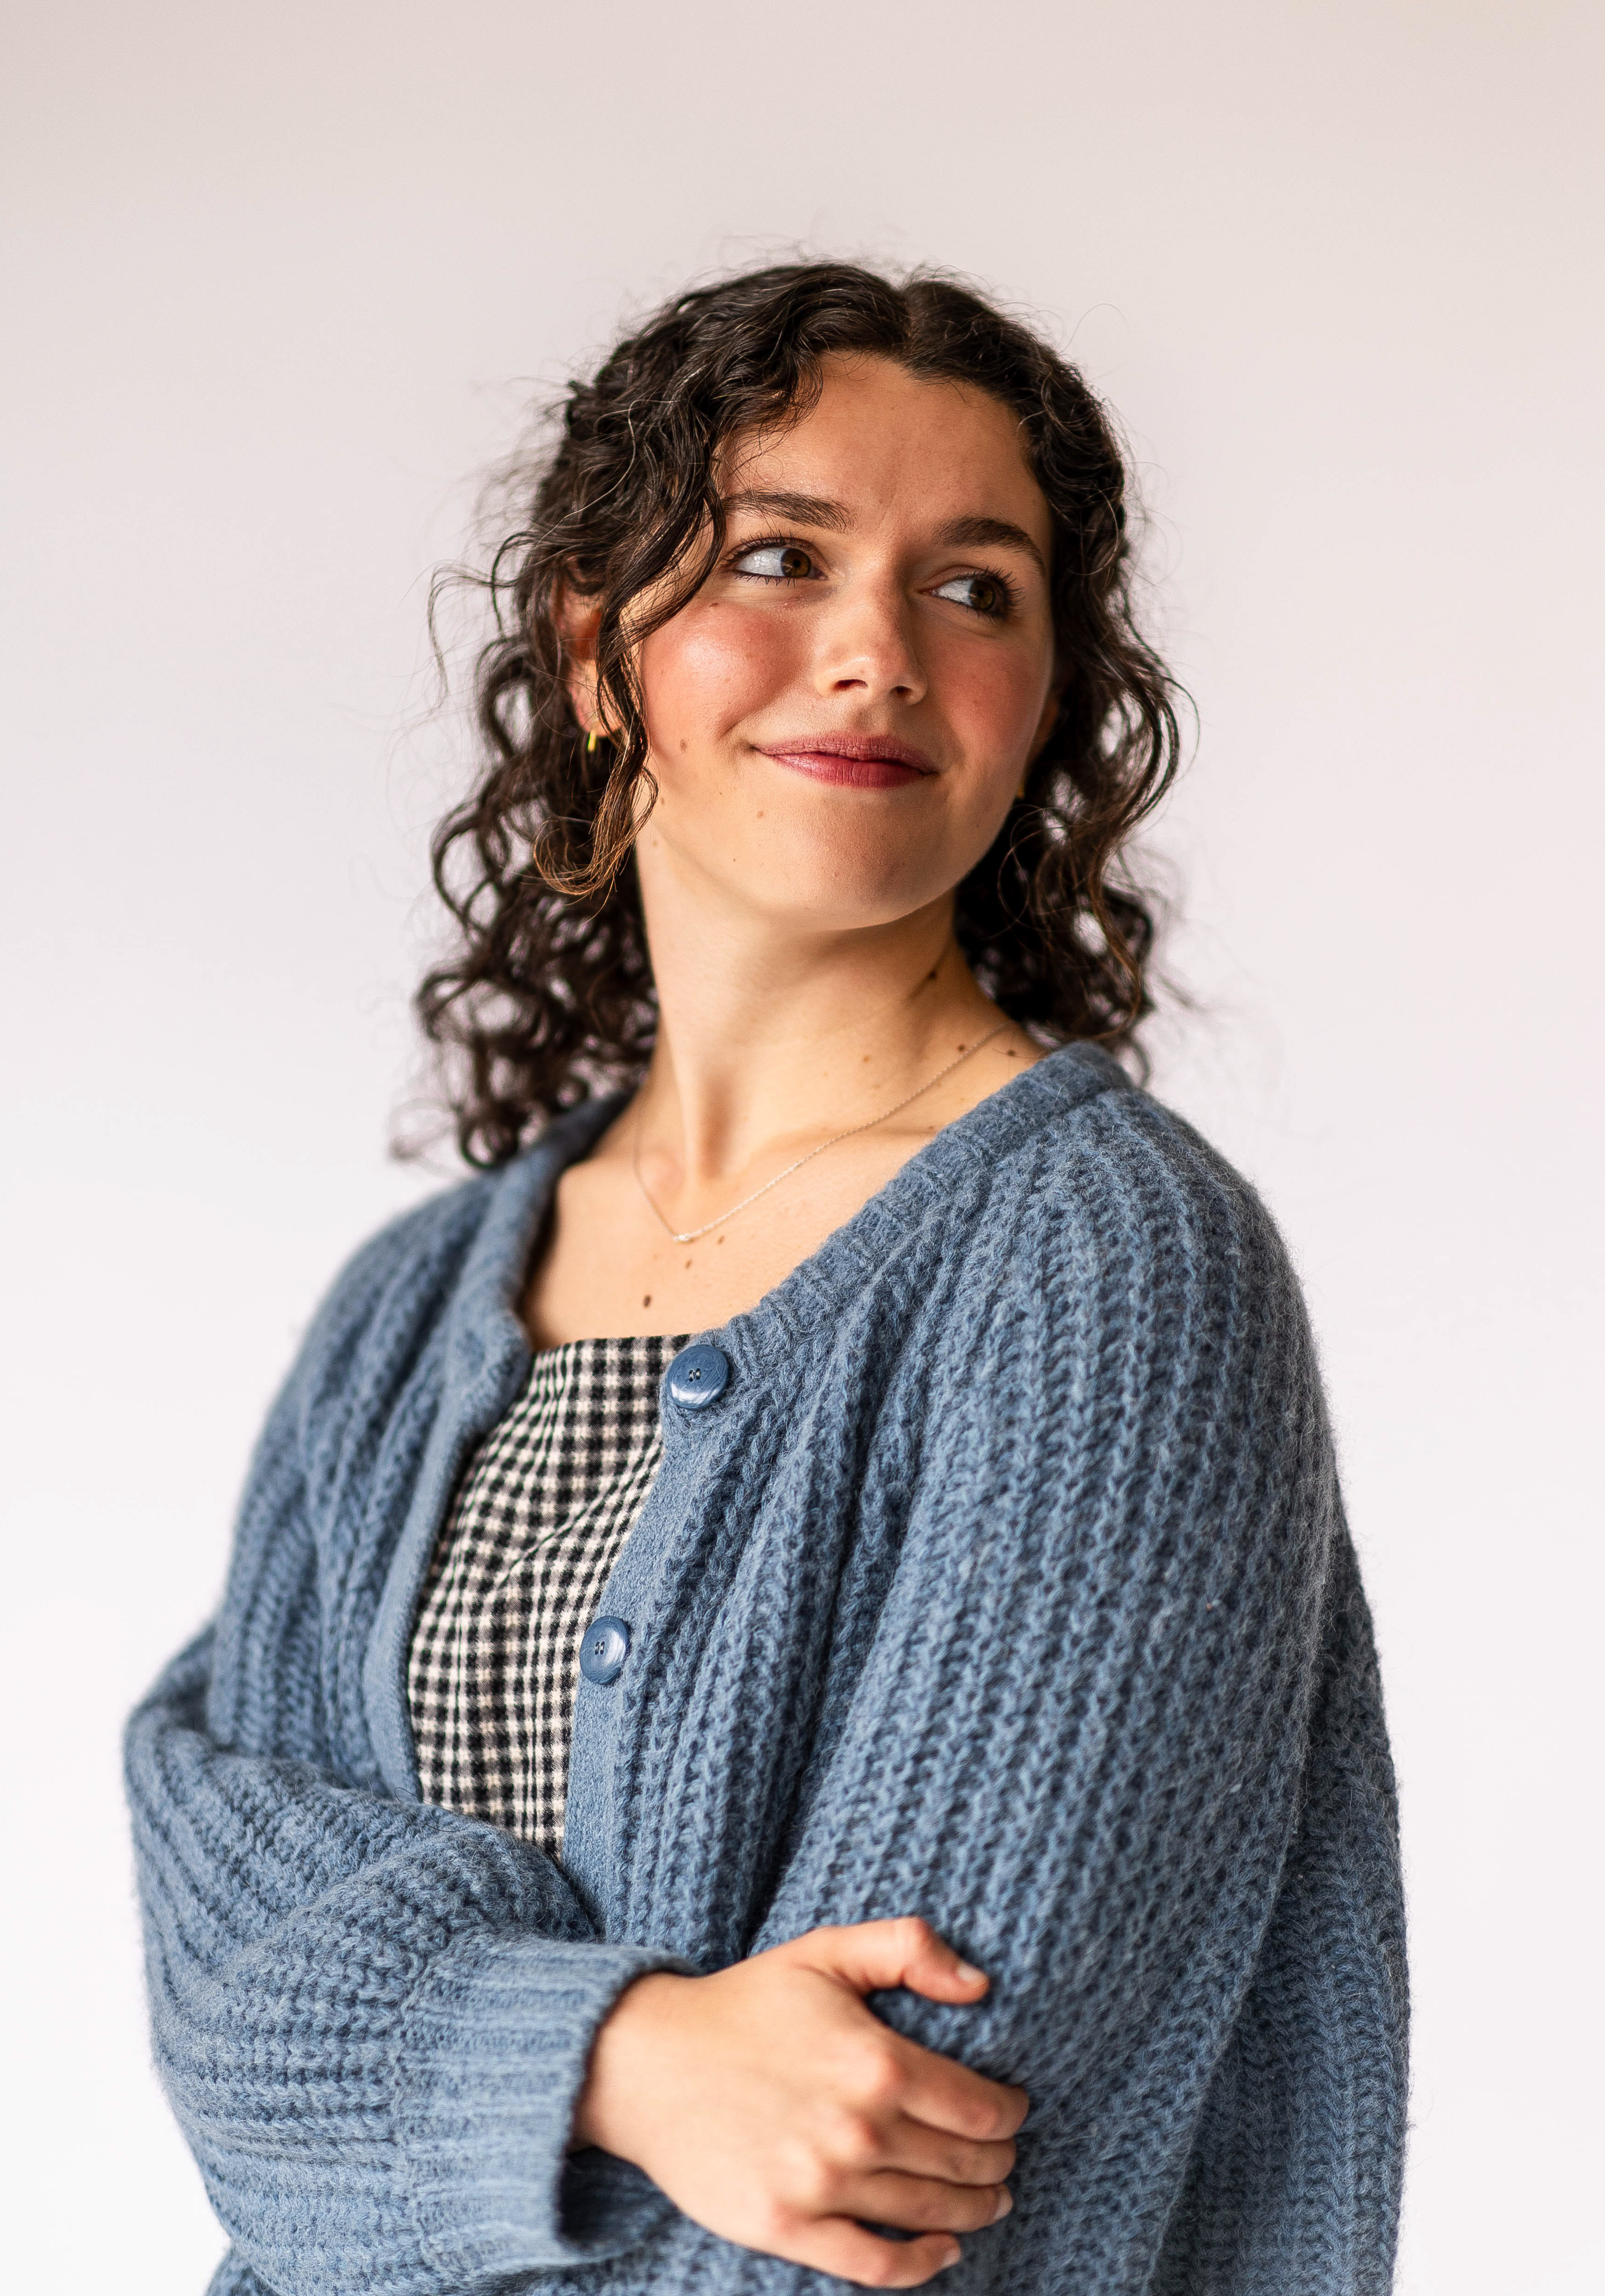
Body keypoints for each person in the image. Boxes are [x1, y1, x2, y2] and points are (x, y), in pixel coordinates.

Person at [125, 261, 1408, 2296]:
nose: (877, 653)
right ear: (596, 653)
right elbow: (226, 1997)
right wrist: (621, 2056)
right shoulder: (418, 1306)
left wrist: (442, 2107)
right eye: (780, 558)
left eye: (974, 589)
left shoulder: (1103, 1269)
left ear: (1048, 697)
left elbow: (912, 2164)